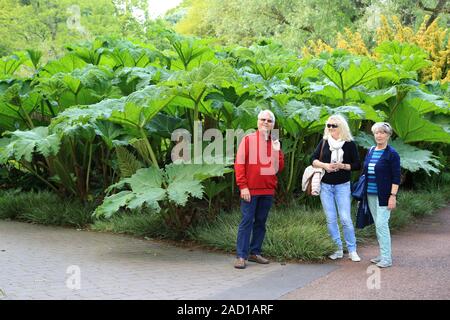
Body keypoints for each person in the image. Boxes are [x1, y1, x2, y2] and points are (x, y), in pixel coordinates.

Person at [234, 110, 284, 269]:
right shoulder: (248, 140)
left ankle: (255, 252)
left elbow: (278, 168)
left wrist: (277, 150)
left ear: (273, 125)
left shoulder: (274, 142)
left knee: (261, 222)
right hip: (250, 190)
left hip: (267, 190)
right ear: (257, 121)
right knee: (246, 221)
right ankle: (241, 256)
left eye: (269, 121)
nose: (265, 122)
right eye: (263, 119)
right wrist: (243, 186)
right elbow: (239, 164)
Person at [312, 114, 361, 262]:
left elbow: (358, 165)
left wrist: (342, 166)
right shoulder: (324, 142)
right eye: (329, 125)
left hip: (342, 186)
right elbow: (313, 159)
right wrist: (325, 165)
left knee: (345, 219)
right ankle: (337, 249)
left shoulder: (349, 144)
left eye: (334, 125)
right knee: (331, 219)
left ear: (342, 127)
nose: (331, 128)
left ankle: (352, 250)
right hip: (326, 186)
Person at [363, 122, 400, 268]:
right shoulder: (371, 150)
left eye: (382, 133)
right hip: (371, 193)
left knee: (381, 224)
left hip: (385, 195)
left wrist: (393, 196)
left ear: (388, 135)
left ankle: (387, 258)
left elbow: (396, 177)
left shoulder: (392, 154)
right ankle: (382, 254)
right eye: (377, 132)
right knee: (378, 226)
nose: (379, 135)